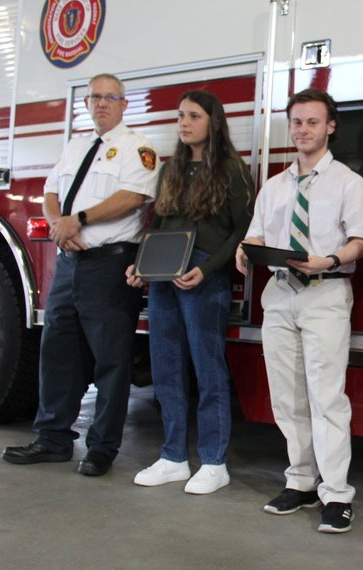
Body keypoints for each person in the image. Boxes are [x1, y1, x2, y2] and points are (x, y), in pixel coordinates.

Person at [2, 73, 159, 476]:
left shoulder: (138, 148)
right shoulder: (75, 146)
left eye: (110, 97)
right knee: (57, 352)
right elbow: (50, 192)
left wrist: (80, 220)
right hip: (69, 264)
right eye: (95, 97)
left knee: (111, 360)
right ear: (86, 103)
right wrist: (60, 225)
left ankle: (102, 448)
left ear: (124, 104)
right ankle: (52, 439)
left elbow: (133, 197)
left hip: (109, 265)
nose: (101, 103)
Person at [236, 88, 363, 533]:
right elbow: (257, 235)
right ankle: (300, 481)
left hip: (324, 292)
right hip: (279, 294)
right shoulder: (275, 186)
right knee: (287, 395)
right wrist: (245, 248)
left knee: (326, 397)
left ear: (330, 126)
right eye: (296, 122)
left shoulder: (349, 183)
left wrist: (328, 260)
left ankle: (337, 493)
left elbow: (362, 241)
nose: (303, 130)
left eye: (313, 122)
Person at [126, 90, 254, 494]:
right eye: (180, 115)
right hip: (164, 277)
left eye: (194, 116)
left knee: (208, 370)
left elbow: (243, 228)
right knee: (166, 368)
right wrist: (141, 266)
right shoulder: (170, 170)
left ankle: (214, 462)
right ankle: (173, 457)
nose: (184, 122)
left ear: (213, 122)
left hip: (204, 277)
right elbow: (158, 226)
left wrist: (208, 269)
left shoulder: (232, 169)